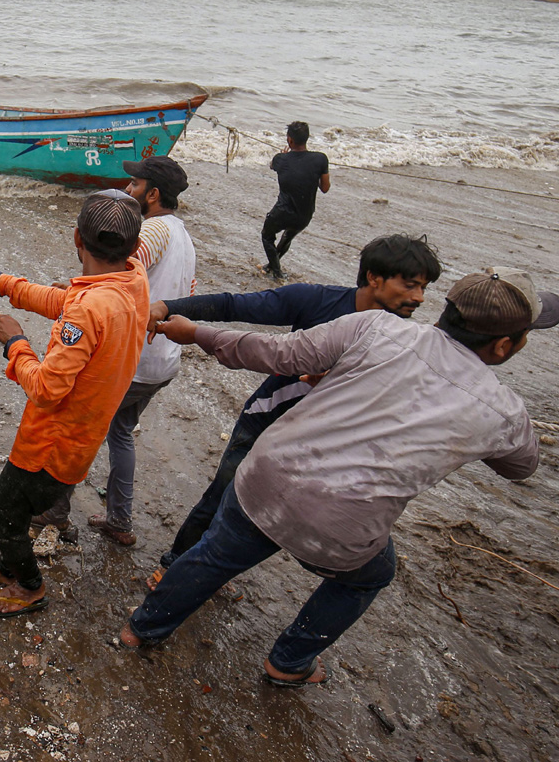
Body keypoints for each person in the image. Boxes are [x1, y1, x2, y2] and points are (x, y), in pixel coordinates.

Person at [122, 267, 557, 688]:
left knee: (216, 553)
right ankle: (289, 662)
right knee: (371, 574)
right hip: (344, 525)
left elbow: (276, 353)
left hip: (268, 478)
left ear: (444, 310)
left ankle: (141, 629)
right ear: (504, 347)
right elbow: (522, 467)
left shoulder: (375, 327)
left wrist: (197, 332)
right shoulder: (504, 412)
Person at [153, 234, 442, 583]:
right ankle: (174, 564)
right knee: (224, 493)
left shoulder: (405, 342)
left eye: (424, 288)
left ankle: (206, 572)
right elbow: (235, 305)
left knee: (259, 517)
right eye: (410, 285)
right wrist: (168, 306)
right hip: (268, 418)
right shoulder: (315, 300)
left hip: (319, 443)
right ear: (373, 278)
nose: (418, 298)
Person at [0, 190, 149, 617]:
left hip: (51, 443)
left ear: (76, 238)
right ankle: (10, 567)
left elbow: (46, 389)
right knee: (16, 511)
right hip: (83, 438)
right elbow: (67, 301)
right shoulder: (132, 283)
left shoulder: (88, 310)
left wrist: (15, 344)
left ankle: (29, 587)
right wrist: (0, 282)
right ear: (135, 248)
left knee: (1, 515)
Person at [31, 157, 197, 546]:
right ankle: (119, 520)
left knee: (78, 432)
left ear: (153, 194)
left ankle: (54, 515)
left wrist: (77, 293)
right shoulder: (184, 235)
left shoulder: (152, 231)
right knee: (120, 433)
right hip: (162, 362)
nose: (127, 190)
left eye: (134, 184)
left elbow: (114, 272)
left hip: (131, 362)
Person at [261, 120, 328, 279]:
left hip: (282, 212)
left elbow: (272, 165)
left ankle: (277, 272)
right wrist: (312, 173)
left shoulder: (280, 159)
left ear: (289, 140)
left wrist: (284, 157)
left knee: (267, 236)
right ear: (307, 138)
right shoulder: (320, 159)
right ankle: (272, 266)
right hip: (305, 215)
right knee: (288, 236)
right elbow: (325, 188)